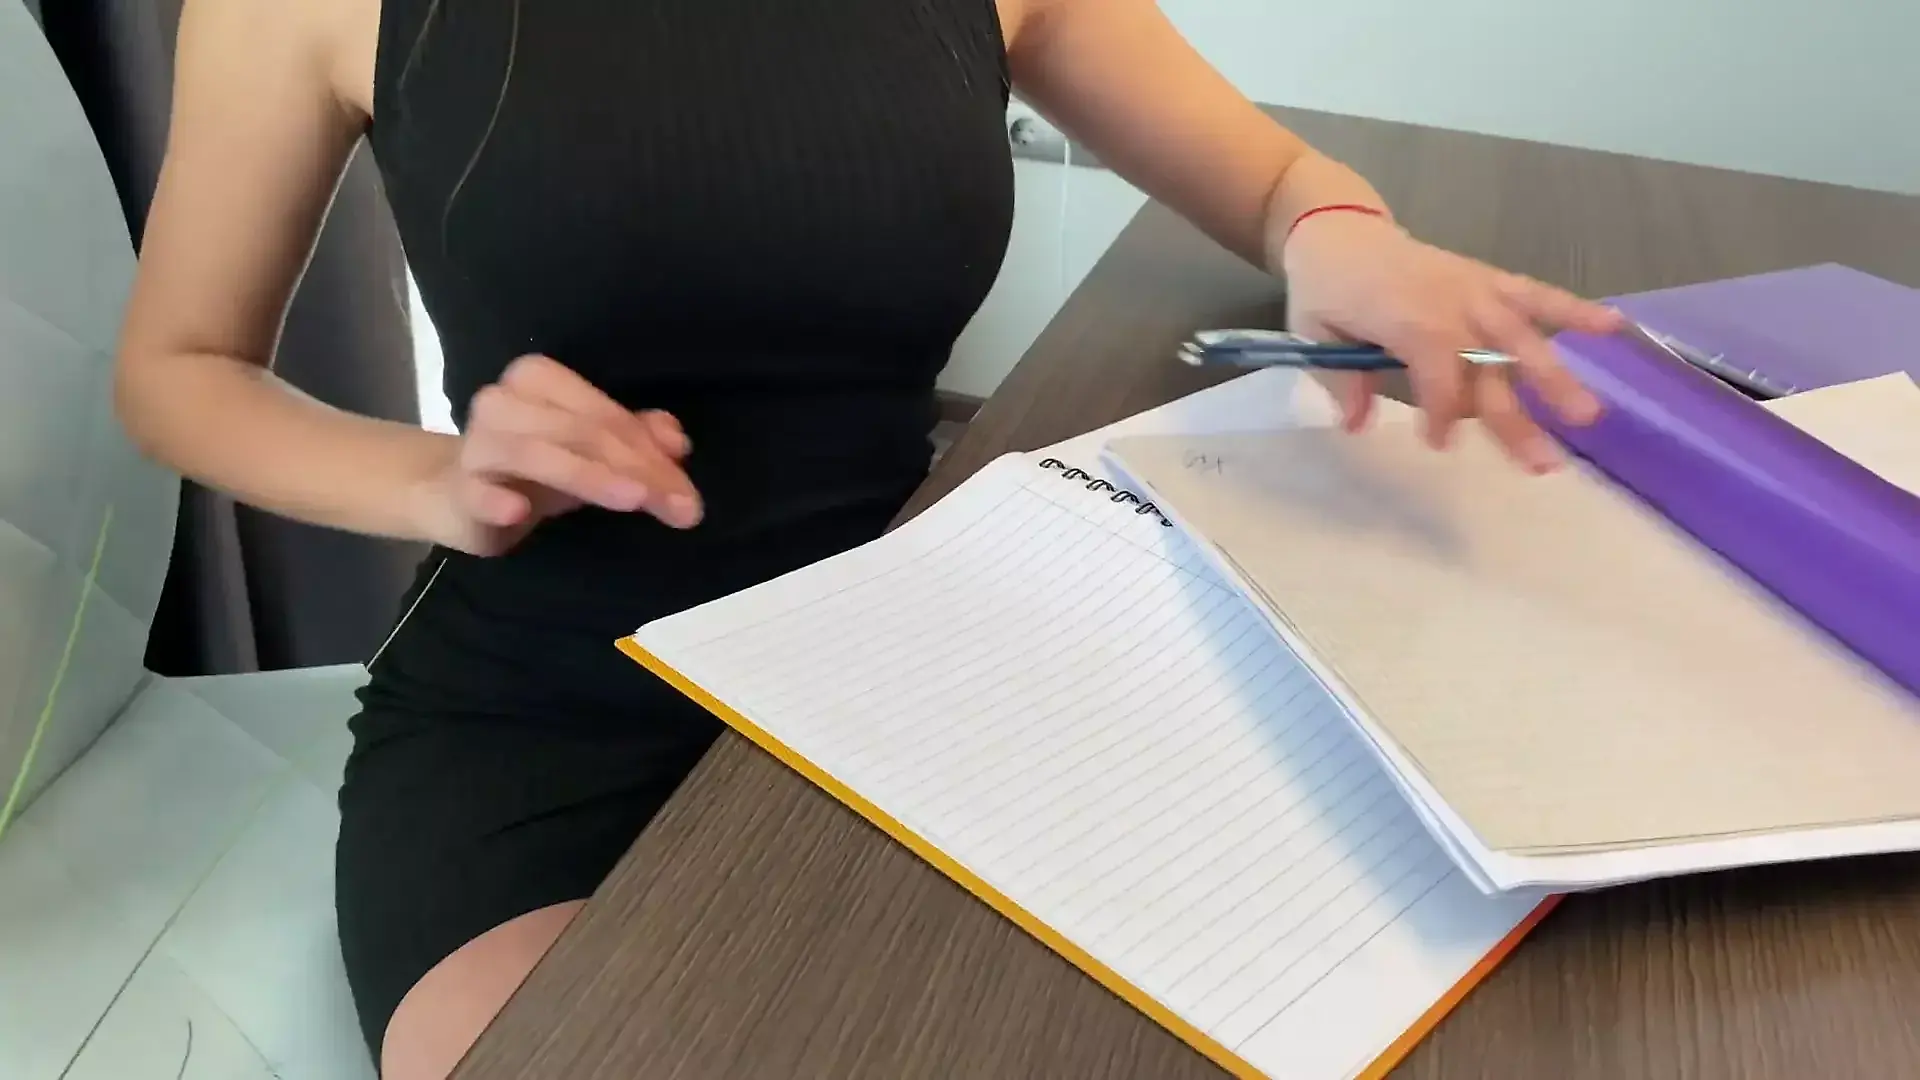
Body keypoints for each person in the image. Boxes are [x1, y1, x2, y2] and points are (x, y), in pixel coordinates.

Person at [115, 0, 1623, 1075]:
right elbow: (179, 368)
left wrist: (1343, 238)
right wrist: (440, 481)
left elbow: (1281, 181)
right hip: (546, 716)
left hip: (924, 655)